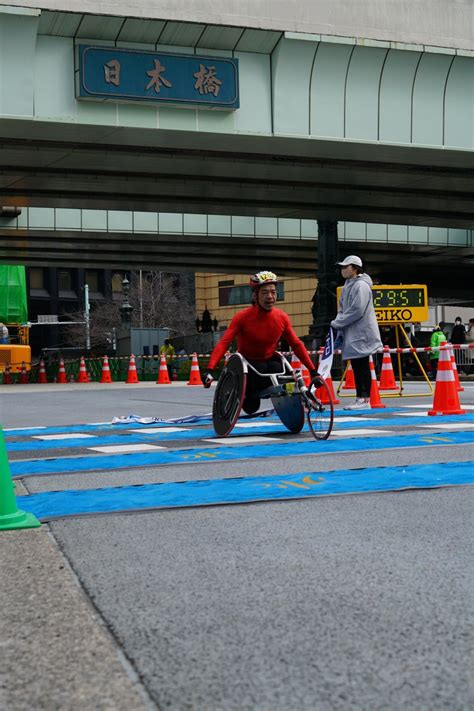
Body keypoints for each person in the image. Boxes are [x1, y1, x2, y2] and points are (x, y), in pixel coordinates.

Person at [202, 270, 317, 414]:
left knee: (277, 366)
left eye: (273, 292)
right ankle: (248, 396)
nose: (270, 296)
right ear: (255, 295)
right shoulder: (242, 317)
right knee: (251, 408)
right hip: (248, 366)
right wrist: (209, 370)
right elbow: (224, 342)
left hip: (270, 364)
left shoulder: (282, 317)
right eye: (265, 293)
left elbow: (296, 344)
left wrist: (313, 371)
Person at [330, 255, 382, 410]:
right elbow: (343, 307)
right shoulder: (349, 284)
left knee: (362, 364)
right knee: (358, 364)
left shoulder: (361, 285)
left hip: (361, 331)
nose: (342, 270)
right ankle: (361, 397)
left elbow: (357, 310)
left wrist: (338, 322)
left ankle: (364, 399)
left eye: (345, 267)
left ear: (354, 268)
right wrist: (339, 320)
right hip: (354, 331)